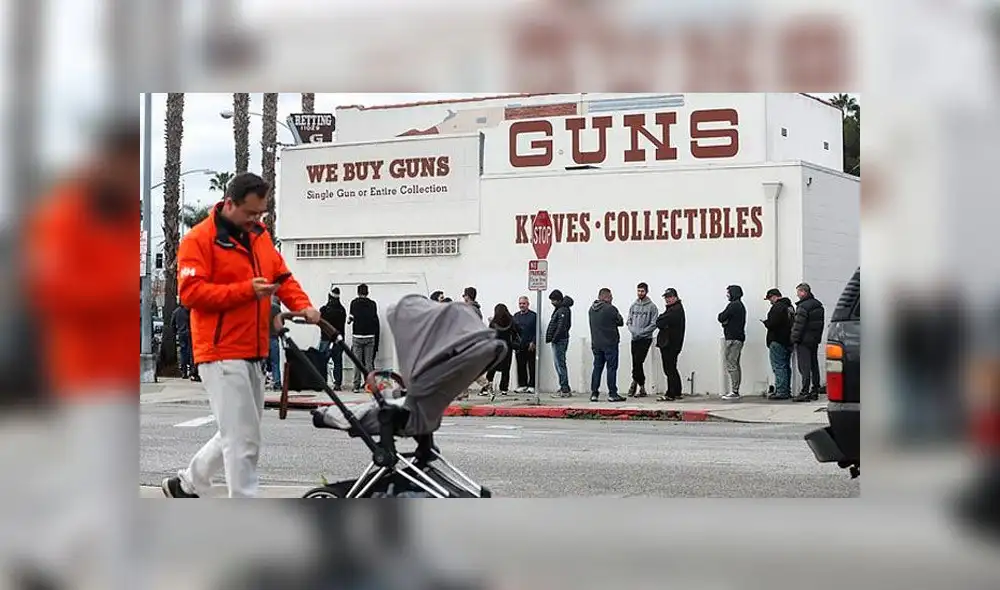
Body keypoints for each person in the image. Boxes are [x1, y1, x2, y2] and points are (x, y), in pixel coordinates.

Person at [163, 172, 320, 499]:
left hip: (255, 348)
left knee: (239, 431)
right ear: (229, 203)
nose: (256, 220)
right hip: (220, 351)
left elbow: (283, 277)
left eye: (260, 213)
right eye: (250, 213)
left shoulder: (260, 237)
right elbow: (190, 293)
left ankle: (187, 484)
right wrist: (245, 291)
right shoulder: (199, 239)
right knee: (242, 439)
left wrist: (304, 306)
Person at [589, 288, 626, 402]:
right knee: (611, 368)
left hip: (596, 343)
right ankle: (612, 393)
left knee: (597, 368)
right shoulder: (610, 309)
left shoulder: (591, 309)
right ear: (606, 297)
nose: (612, 298)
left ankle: (594, 393)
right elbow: (620, 322)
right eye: (610, 296)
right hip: (610, 343)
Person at [791, 282, 825, 402]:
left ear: (804, 292)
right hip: (814, 340)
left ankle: (804, 391)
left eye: (798, 292)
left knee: (804, 367)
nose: (797, 295)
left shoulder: (803, 306)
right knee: (814, 365)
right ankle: (815, 390)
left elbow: (799, 325)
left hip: (803, 340)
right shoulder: (818, 306)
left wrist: (794, 339)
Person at [626, 282, 658, 397]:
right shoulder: (633, 305)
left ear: (646, 291)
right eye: (638, 291)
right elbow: (628, 321)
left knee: (639, 361)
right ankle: (640, 386)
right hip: (634, 338)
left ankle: (636, 383)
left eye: (642, 291)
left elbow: (654, 323)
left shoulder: (652, 307)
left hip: (645, 338)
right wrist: (633, 330)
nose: (640, 293)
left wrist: (643, 332)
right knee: (635, 362)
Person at [762, 288, 795, 400]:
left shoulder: (777, 307)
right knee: (786, 366)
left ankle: (781, 391)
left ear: (774, 296)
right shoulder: (790, 307)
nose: (770, 301)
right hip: (788, 340)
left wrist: (766, 322)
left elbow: (773, 324)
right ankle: (786, 390)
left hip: (777, 340)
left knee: (778, 367)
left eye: (770, 299)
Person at [655, 288, 686, 401]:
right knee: (672, 368)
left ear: (675, 297)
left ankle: (670, 393)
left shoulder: (674, 310)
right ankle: (677, 391)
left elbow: (659, 322)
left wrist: (661, 320)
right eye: (666, 297)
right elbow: (660, 321)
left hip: (670, 344)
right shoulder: (673, 309)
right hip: (671, 343)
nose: (667, 299)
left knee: (669, 369)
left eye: (669, 297)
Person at [717, 284, 747, 401]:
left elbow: (721, 317)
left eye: (728, 292)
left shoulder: (733, 305)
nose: (727, 295)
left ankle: (734, 391)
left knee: (731, 364)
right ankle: (736, 389)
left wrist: (725, 321)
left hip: (732, 338)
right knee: (736, 364)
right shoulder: (740, 306)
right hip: (738, 338)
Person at [349, 283, 380, 392]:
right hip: (370, 335)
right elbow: (374, 318)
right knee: (369, 362)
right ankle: (370, 385)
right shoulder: (373, 304)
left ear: (358, 292)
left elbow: (350, 318)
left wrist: (350, 321)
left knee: (357, 362)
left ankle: (356, 386)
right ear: (367, 292)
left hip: (357, 335)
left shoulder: (354, 303)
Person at [545, 289, 574, 397]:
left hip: (559, 340)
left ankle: (564, 389)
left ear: (557, 300)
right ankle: (564, 387)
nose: (552, 303)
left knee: (560, 365)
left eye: (553, 300)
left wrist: (554, 338)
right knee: (559, 364)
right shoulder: (562, 309)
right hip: (560, 339)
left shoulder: (562, 310)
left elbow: (561, 326)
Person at [485, 303, 519, 395]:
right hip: (507, 347)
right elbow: (516, 332)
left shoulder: (493, 323)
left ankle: (487, 387)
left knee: (492, 368)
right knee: (506, 369)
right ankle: (504, 388)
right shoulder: (511, 321)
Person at [319, 285, 347, 390]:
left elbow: (320, 323)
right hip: (337, 340)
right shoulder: (342, 310)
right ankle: (337, 384)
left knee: (322, 362)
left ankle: (322, 382)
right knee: (338, 362)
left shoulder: (324, 309)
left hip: (325, 339)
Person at [512, 296, 538, 393]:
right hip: (519, 345)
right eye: (520, 303)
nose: (522, 305)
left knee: (531, 366)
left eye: (524, 303)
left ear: (528, 304)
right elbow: (513, 331)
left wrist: (534, 342)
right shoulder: (516, 316)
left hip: (530, 345)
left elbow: (537, 330)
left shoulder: (533, 316)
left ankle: (532, 385)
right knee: (520, 366)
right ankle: (522, 385)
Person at [171, 301, 192, 378]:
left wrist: (175, 332)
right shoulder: (189, 311)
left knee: (183, 352)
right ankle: (192, 370)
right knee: (190, 352)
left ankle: (184, 371)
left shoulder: (176, 312)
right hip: (190, 333)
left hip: (181, 333)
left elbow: (172, 324)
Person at [268, 295, 283, 390]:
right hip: (274, 339)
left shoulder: (263, 307)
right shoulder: (277, 309)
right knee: (275, 362)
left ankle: (262, 382)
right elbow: (282, 323)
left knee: (261, 363)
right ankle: (277, 383)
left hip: (263, 339)